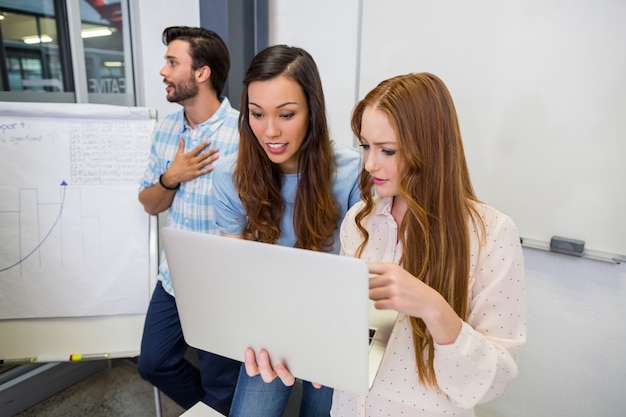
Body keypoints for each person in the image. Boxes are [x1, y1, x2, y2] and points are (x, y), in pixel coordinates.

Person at [251, 72, 527, 416]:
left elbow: (492, 379)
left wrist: (434, 307)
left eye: (388, 150)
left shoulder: (491, 233)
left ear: (431, 148)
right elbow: (349, 335)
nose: (369, 164)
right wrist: (298, 353)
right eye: (366, 146)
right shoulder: (359, 221)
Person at [211, 44, 362, 416]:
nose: (270, 131)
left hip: (333, 321)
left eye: (286, 114)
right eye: (257, 115)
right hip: (268, 320)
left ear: (312, 110)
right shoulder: (231, 176)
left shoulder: (352, 172)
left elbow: (358, 274)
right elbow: (236, 269)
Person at [136, 26, 241, 415]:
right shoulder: (166, 129)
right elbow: (150, 203)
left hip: (222, 281)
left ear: (202, 72)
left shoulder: (243, 132)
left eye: (172, 62)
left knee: (220, 381)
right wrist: (172, 177)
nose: (163, 71)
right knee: (152, 362)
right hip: (174, 276)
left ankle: (219, 408)